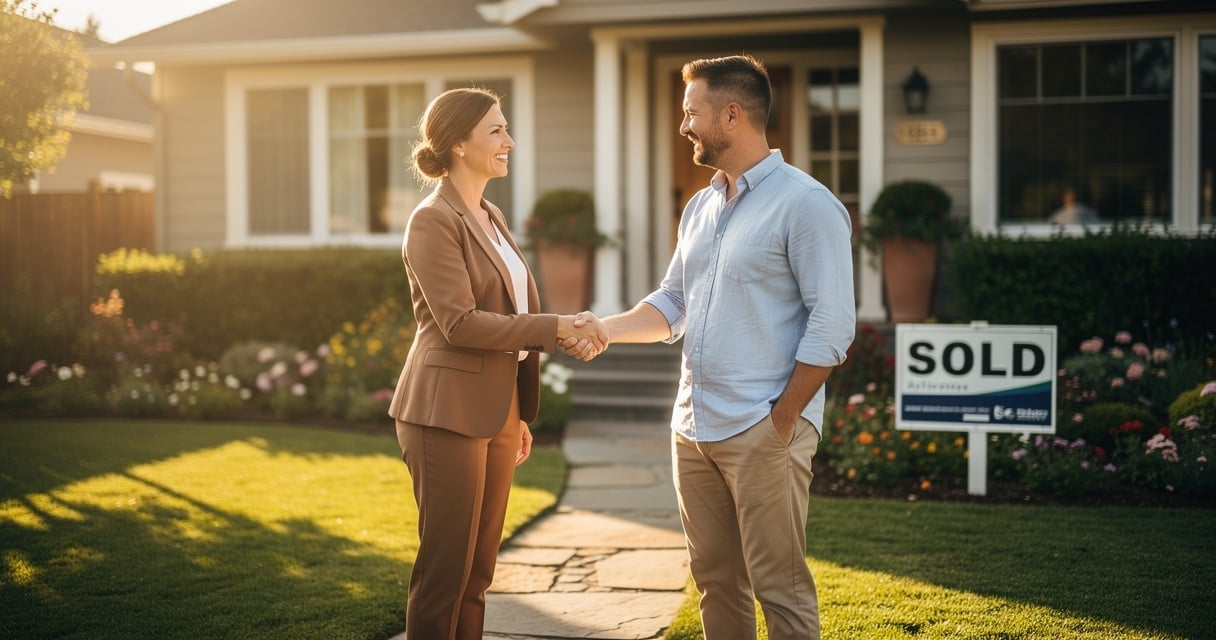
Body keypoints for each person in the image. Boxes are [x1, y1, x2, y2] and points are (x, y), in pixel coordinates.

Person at [565, 55, 855, 639]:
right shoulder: (700, 206)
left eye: (691, 112)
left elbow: (833, 325)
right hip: (693, 428)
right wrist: (606, 328)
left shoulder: (806, 204)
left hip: (763, 427)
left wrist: (784, 416)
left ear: (731, 113)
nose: (683, 126)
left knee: (781, 587)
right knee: (716, 581)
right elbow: (674, 300)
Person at [387, 87, 606, 640]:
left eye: (506, 128)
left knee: (479, 572)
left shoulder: (490, 214)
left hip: (499, 412)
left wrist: (518, 413)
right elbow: (459, 323)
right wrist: (557, 327)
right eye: (496, 131)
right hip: (445, 413)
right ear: (459, 143)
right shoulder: (432, 220)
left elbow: (514, 310)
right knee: (445, 572)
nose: (509, 140)